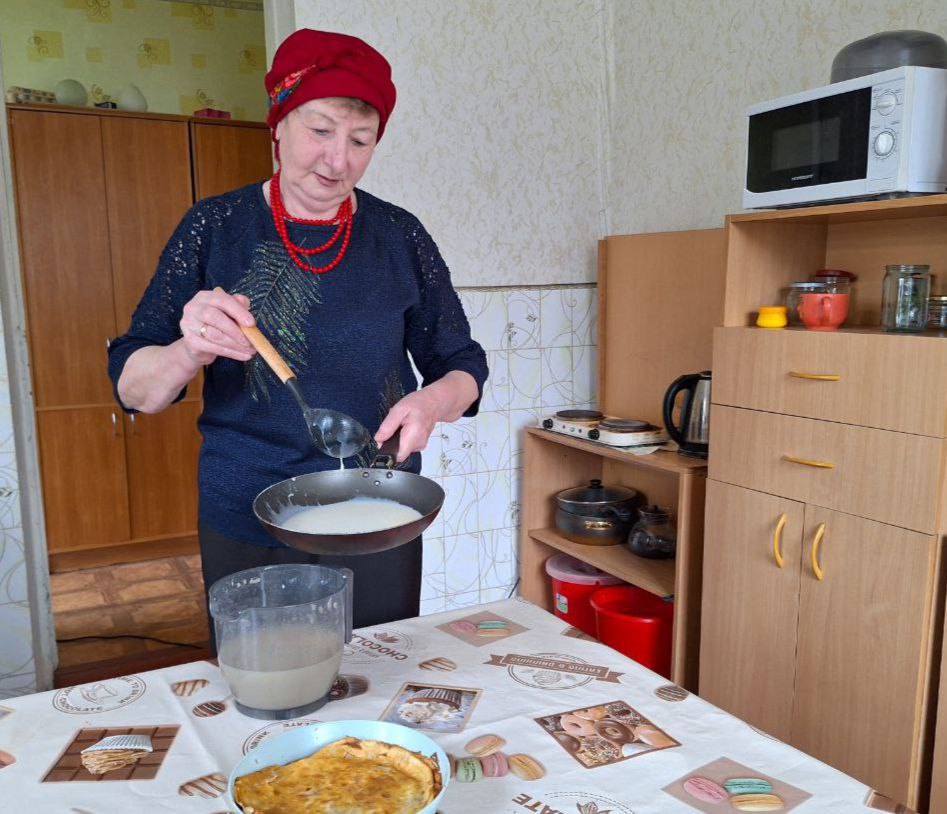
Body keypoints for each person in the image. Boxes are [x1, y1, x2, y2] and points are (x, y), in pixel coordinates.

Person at [107, 29, 488, 647]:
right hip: (249, 515)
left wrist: (432, 402)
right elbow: (136, 390)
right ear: (278, 124)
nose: (336, 160)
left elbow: (463, 366)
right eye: (319, 131)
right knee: (266, 690)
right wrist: (189, 349)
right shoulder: (215, 227)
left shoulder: (400, 235)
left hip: (378, 511)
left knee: (377, 680)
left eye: (359, 141)